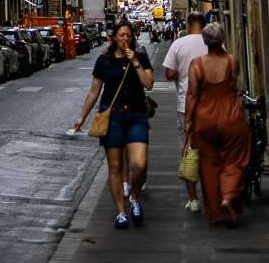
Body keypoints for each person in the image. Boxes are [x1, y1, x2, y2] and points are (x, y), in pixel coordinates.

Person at [73, 19, 155, 228]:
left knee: (140, 164)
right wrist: (82, 117)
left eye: (128, 35)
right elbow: (94, 91)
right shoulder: (104, 60)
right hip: (113, 116)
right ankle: (121, 212)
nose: (125, 38)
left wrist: (135, 61)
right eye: (121, 35)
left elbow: (149, 84)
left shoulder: (141, 57)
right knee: (115, 167)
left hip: (136, 115)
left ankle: (134, 199)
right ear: (114, 38)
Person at [186, 21, 251, 227]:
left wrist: (187, 121)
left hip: (204, 118)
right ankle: (228, 198)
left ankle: (215, 212)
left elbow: (192, 94)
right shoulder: (233, 61)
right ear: (222, 39)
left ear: (205, 41)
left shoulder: (196, 64)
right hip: (230, 116)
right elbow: (234, 81)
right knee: (234, 160)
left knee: (208, 165)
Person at [164, 12, 209, 211]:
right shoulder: (213, 44)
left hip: (185, 106)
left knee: (188, 151)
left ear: (188, 26)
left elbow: (168, 73)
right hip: (209, 106)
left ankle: (193, 200)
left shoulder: (179, 44)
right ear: (204, 25)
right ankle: (211, 196)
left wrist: (183, 71)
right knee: (210, 152)